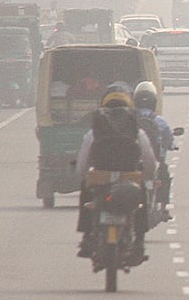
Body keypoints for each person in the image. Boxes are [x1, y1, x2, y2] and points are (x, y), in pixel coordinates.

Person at [76, 83, 157, 263]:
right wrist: (148, 176)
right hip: (130, 177)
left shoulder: (94, 132)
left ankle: (87, 237)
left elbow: (83, 161)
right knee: (141, 204)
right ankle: (139, 244)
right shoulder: (137, 131)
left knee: (86, 194)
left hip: (100, 177)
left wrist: (83, 175)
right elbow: (149, 161)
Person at [134, 81, 175, 222]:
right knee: (165, 177)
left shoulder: (129, 119)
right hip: (156, 163)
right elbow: (169, 141)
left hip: (132, 162)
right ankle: (163, 209)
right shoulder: (160, 121)